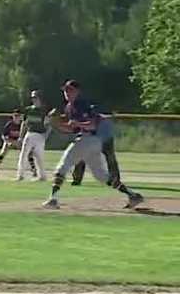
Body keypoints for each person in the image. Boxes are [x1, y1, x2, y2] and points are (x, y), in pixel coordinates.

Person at [43, 80, 144, 210]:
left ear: (77, 91)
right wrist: (56, 125)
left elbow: (93, 125)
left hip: (90, 139)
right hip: (88, 142)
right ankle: (132, 195)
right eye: (65, 90)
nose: (67, 93)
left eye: (70, 90)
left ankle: (53, 199)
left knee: (63, 166)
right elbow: (71, 129)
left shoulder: (83, 104)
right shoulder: (69, 107)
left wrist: (77, 124)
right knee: (101, 176)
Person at [70, 108, 121, 188]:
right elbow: (80, 130)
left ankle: (115, 179)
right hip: (91, 138)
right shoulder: (83, 117)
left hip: (105, 139)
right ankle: (77, 179)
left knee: (110, 158)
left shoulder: (98, 119)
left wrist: (79, 125)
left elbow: (91, 126)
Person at [17, 90, 48, 182]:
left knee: (39, 156)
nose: (33, 99)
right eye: (33, 97)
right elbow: (24, 123)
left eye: (35, 97)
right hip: (30, 133)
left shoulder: (44, 110)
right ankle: (20, 175)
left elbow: (48, 124)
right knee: (23, 154)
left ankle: (42, 176)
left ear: (40, 98)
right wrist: (20, 136)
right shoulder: (28, 110)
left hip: (40, 135)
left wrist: (45, 135)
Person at [0, 112, 23, 177]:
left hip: (18, 141)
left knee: (27, 153)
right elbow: (3, 135)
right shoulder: (9, 124)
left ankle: (34, 170)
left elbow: (25, 135)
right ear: (13, 117)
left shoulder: (22, 125)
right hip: (9, 140)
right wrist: (8, 142)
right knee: (2, 154)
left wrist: (20, 141)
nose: (17, 117)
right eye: (15, 116)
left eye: (18, 116)